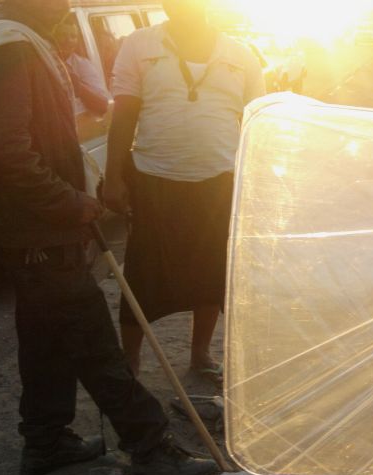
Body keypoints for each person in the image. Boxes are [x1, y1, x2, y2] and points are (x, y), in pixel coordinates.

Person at [0, 0, 219, 475]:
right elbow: (2, 148)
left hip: (26, 229)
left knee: (44, 340)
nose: (65, 6)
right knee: (93, 340)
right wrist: (69, 202)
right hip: (39, 230)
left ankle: (45, 440)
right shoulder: (11, 47)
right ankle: (149, 446)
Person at [101, 0, 263, 382]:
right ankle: (131, 361)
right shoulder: (139, 44)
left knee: (210, 273)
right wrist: (112, 176)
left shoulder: (242, 55)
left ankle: (200, 354)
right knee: (143, 273)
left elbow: (256, 124)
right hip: (154, 179)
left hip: (220, 183)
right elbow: (124, 114)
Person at [52, 17, 108, 116]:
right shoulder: (43, 63)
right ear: (53, 37)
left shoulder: (82, 65)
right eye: (62, 35)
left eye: (73, 36)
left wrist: (77, 86)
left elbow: (103, 105)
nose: (68, 40)